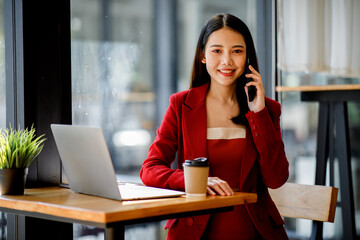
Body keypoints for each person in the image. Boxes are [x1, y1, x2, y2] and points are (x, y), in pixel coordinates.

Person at [140, 13, 289, 240]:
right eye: (216, 51)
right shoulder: (181, 105)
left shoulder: (267, 109)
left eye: (237, 51)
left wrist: (258, 113)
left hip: (255, 232)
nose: (227, 61)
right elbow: (150, 169)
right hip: (193, 232)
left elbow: (276, 179)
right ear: (203, 56)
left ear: (247, 55)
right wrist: (196, 182)